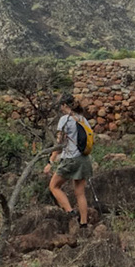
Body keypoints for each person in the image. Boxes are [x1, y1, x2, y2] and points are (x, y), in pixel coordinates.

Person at [46, 93, 94, 227]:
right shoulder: (83, 119)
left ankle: (70, 212)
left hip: (70, 159)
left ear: (65, 105)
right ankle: (83, 223)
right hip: (83, 159)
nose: (60, 108)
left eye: (60, 105)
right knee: (80, 193)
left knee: (54, 186)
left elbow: (60, 143)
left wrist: (51, 160)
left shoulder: (65, 119)